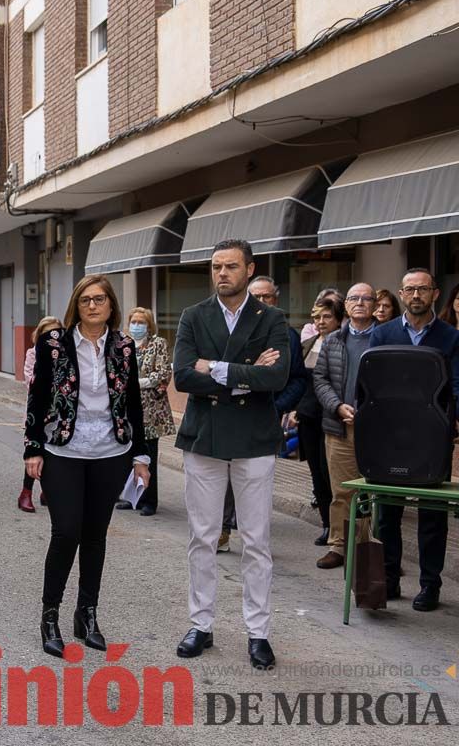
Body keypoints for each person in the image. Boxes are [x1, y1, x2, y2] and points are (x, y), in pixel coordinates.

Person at [172, 239, 288, 670]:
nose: (222, 273)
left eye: (231, 266)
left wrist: (215, 368)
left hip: (254, 440)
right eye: (216, 266)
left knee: (256, 540)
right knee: (202, 536)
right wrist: (245, 375)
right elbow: (183, 376)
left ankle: (258, 632)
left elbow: (276, 375)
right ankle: (201, 624)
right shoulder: (193, 316)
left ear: (249, 269)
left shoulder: (271, 317)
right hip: (205, 438)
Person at [24, 275, 150, 656]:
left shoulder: (125, 346)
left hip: (111, 452)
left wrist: (141, 455)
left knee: (95, 535)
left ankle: (87, 614)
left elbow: (132, 403)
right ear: (76, 306)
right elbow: (38, 396)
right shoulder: (54, 344)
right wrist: (33, 448)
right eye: (85, 300)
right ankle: (50, 616)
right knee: (66, 532)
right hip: (64, 449)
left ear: (111, 305)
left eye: (100, 299)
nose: (93, 306)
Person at [368, 268, 459, 611]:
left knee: (432, 515)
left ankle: (429, 586)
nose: (416, 295)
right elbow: (370, 385)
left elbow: (457, 385)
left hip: (433, 438)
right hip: (389, 435)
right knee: (387, 513)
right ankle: (389, 578)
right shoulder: (383, 334)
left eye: (423, 289)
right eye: (409, 289)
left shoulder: (451, 337)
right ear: (401, 294)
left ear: (436, 294)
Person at [216, 276, 308, 552]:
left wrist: (278, 406)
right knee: (227, 475)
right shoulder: (229, 330)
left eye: (267, 296)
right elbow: (220, 371)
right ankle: (222, 529)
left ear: (275, 300)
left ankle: (254, 537)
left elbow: (296, 379)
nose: (262, 301)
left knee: (255, 481)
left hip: (265, 417)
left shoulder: (286, 334)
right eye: (256, 295)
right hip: (230, 416)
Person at [312, 283, 377, 570]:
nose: (360, 303)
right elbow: (320, 380)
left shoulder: (385, 337)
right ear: (346, 305)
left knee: (375, 492)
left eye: (366, 298)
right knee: (341, 491)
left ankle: (369, 548)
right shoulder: (333, 340)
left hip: (378, 429)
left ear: (375, 304)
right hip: (339, 426)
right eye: (354, 298)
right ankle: (339, 546)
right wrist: (337, 406)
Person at [291, 296, 344, 547]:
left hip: (334, 418)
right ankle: (326, 525)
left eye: (326, 316)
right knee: (317, 476)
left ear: (338, 319)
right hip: (308, 418)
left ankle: (341, 529)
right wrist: (294, 409)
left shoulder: (343, 343)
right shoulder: (308, 343)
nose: (321, 322)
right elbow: (299, 380)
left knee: (332, 473)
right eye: (316, 317)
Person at [112, 307, 173, 517]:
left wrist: (137, 383)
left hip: (151, 411)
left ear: (149, 324)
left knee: (148, 455)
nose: (137, 325)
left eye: (141, 322)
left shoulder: (158, 344)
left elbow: (163, 372)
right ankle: (132, 496)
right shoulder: (124, 344)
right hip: (127, 410)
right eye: (134, 321)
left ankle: (149, 500)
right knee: (129, 454)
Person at [19, 316, 62, 512]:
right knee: (35, 451)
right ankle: (25, 493)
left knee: (53, 454)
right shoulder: (33, 353)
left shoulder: (66, 353)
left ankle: (48, 492)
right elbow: (31, 380)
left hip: (59, 412)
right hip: (38, 411)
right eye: (47, 333)